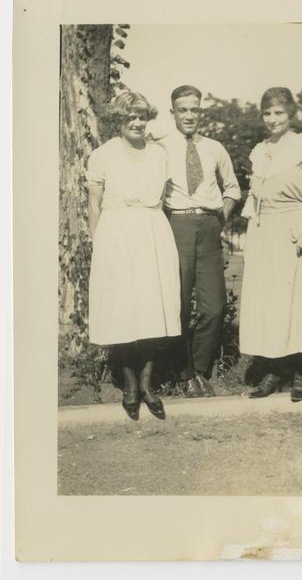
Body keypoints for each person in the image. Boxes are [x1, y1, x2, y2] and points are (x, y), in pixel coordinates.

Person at [240, 87, 302, 402]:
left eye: (279, 113)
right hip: (265, 234)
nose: (273, 119)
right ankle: (274, 370)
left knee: (300, 302)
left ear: (291, 114)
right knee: (270, 304)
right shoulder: (259, 151)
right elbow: (256, 198)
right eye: (267, 113)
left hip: (296, 232)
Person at [86, 91, 181, 420]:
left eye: (142, 117)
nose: (138, 123)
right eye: (131, 117)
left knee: (154, 307)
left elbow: (167, 199)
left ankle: (147, 383)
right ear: (119, 120)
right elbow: (94, 205)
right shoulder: (102, 155)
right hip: (116, 234)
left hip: (153, 233)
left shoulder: (159, 154)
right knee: (122, 310)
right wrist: (100, 243)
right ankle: (128, 383)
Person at [160, 85, 241, 397]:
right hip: (176, 225)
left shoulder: (215, 148)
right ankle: (184, 374)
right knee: (176, 303)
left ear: (201, 112)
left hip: (209, 226)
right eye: (183, 110)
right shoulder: (161, 147)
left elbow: (232, 188)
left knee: (214, 305)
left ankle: (201, 370)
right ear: (173, 113)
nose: (189, 115)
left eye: (194, 109)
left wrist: (221, 217)